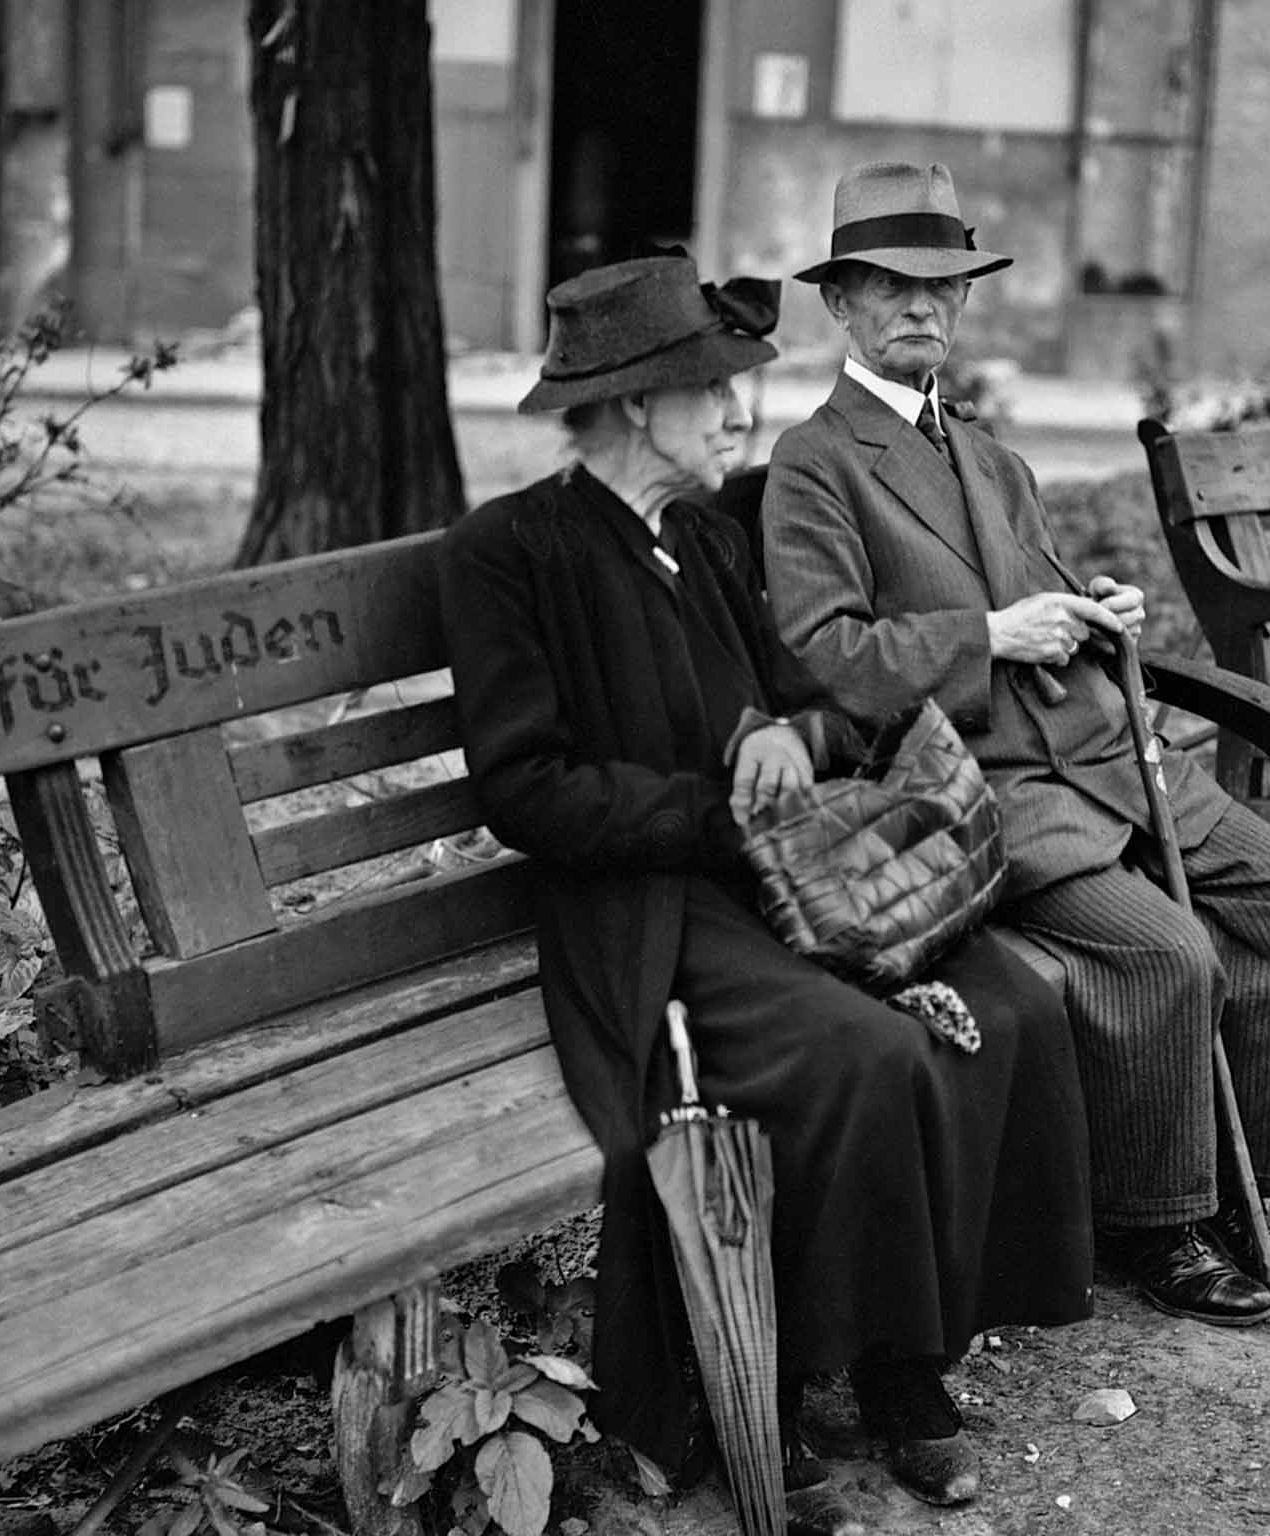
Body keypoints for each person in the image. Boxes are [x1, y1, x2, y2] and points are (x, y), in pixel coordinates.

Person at [438, 255, 1094, 1528]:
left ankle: (911, 1362)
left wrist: (785, 733)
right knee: (860, 1056)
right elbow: (526, 790)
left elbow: (791, 688)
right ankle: (782, 1383)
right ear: (638, 406)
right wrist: (711, 807)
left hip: (784, 877)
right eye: (716, 392)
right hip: (645, 915)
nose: (742, 414)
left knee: (1005, 1005)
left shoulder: (697, 533)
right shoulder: (508, 553)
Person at [762, 162, 1270, 1329]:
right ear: (839, 303)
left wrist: (1089, 607)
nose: (921, 308)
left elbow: (1028, 593)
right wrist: (986, 635)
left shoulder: (986, 453)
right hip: (987, 786)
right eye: (888, 285)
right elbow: (823, 656)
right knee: (1166, 955)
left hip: (1107, 753)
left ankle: (1243, 1187)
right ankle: (1155, 1224)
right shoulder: (816, 462)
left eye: (943, 286)